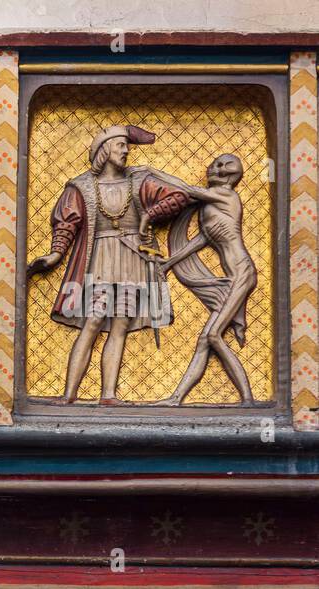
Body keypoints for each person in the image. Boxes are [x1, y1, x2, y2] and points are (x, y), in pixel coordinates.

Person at [27, 125, 190, 405]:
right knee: (93, 321)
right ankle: (69, 394)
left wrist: (149, 215)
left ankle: (109, 395)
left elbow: (180, 196)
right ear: (104, 150)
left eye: (127, 146)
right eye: (120, 146)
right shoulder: (81, 186)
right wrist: (55, 254)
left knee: (120, 325)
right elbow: (67, 223)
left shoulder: (139, 182)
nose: (126, 151)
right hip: (100, 257)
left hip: (132, 258)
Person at [150, 154, 256, 405]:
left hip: (241, 273)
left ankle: (248, 399)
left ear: (230, 174)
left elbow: (186, 189)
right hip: (233, 276)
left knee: (214, 336)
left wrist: (150, 171)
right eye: (213, 163)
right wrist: (169, 263)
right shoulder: (212, 207)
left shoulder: (227, 196)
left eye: (220, 165)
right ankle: (176, 399)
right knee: (204, 341)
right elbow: (202, 239)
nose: (212, 167)